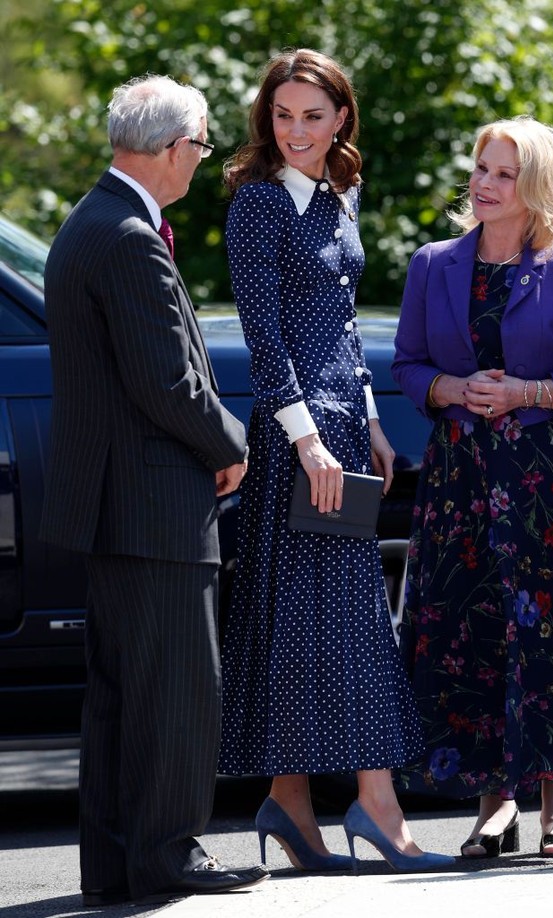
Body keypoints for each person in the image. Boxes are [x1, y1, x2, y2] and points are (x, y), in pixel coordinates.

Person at [217, 48, 453, 874]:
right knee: (333, 619)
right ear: (266, 119)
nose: (296, 131)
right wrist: (307, 438)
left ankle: (290, 805)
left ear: (342, 117)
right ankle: (376, 806)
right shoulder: (256, 207)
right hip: (296, 442)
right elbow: (264, 337)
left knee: (319, 622)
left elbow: (343, 325)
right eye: (283, 116)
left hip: (348, 432)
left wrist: (376, 426)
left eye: (313, 116)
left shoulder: (339, 194)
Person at [39, 74, 269, 905]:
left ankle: (115, 866)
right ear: (175, 148)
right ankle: (168, 856)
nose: (202, 163)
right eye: (202, 148)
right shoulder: (129, 234)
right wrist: (232, 442)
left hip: (114, 507)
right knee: (175, 693)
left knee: (120, 700)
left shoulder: (89, 219)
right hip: (152, 502)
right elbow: (167, 381)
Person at [392, 115, 553, 860]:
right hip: (460, 480)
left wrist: (528, 394)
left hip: (545, 487)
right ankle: (495, 805)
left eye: (502, 174)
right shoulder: (434, 263)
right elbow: (407, 367)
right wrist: (451, 388)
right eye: (481, 169)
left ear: (536, 187)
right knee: (472, 636)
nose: (483, 185)